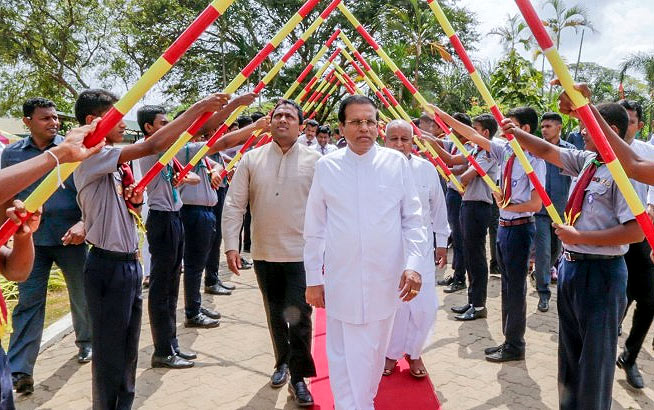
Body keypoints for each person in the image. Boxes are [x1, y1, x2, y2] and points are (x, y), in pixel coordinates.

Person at [72, 88, 229, 409]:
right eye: (115, 116)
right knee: (110, 355)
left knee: (128, 351)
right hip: (106, 266)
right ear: (93, 121)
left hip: (127, 263)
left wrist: (135, 200)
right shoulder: (91, 158)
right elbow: (154, 144)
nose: (122, 122)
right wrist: (198, 108)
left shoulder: (113, 161)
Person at [501, 101, 643, 410]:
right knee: (569, 356)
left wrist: (580, 237)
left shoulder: (625, 173)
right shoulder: (590, 161)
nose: (580, 130)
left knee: (595, 362)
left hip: (602, 273)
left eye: (586, 125)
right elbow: (550, 153)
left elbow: (636, 232)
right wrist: (516, 133)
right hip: (572, 268)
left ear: (610, 131)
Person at [304, 95, 427, 410]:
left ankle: (363, 400)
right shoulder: (327, 166)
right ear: (342, 127)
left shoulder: (396, 163)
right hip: (341, 278)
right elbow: (315, 227)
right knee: (342, 351)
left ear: (377, 125)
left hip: (385, 278)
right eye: (356, 122)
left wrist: (414, 266)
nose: (364, 128)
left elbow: (413, 220)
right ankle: (353, 405)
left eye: (370, 121)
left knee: (373, 353)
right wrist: (312, 278)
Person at [138, 92, 262, 369]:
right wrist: (243, 117)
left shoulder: (171, 150)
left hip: (172, 217)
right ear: (149, 128)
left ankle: (170, 345)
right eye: (163, 123)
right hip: (163, 219)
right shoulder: (154, 147)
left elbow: (210, 134)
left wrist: (228, 108)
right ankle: (163, 349)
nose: (170, 127)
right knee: (163, 288)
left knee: (170, 286)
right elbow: (220, 139)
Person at [222, 99, 319, 406]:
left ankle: (300, 379)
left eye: (290, 116)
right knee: (276, 315)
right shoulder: (251, 159)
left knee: (299, 317)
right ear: (269, 122)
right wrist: (231, 245)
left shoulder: (317, 161)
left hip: (302, 255)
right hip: (264, 254)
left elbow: (328, 210)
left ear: (300, 126)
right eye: (277, 115)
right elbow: (234, 204)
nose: (282, 119)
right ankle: (282, 363)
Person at [431, 104, 545, 363]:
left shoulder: (534, 159)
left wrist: (508, 205)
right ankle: (509, 340)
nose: (503, 131)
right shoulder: (505, 150)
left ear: (525, 129)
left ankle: (515, 344)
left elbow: (536, 204)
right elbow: (471, 135)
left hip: (519, 227)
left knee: (515, 290)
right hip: (505, 227)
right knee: (507, 287)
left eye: (510, 124)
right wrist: (442, 114)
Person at [1, 98, 94, 395]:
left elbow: (90, 191)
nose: (54, 122)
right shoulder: (12, 155)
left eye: (55, 118)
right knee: (28, 304)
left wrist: (84, 223)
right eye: (45, 118)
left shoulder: (73, 150)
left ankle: (87, 343)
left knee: (82, 296)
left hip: (71, 238)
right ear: (27, 121)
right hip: (30, 244)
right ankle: (20, 369)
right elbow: (5, 197)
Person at [383, 119, 448, 378]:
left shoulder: (426, 170)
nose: (399, 145)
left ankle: (416, 352)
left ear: (413, 142)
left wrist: (441, 243)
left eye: (405, 139)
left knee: (424, 306)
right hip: (385, 248)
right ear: (384, 140)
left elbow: (439, 208)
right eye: (393, 139)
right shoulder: (374, 170)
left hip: (420, 248)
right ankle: (390, 353)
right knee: (394, 305)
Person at [614, 99, 654, 389]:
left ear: (639, 125)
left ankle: (630, 355)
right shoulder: (595, 153)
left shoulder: (647, 154)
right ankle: (604, 347)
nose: (623, 124)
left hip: (642, 239)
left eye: (629, 120)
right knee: (619, 298)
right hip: (609, 238)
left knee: (650, 300)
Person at [449, 114, 499, 321]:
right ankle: (472, 300)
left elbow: (467, 176)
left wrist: (457, 175)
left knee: (477, 257)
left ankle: (479, 305)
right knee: (470, 255)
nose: (470, 135)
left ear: (485, 133)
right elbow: (453, 161)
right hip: (468, 204)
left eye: (475, 130)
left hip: (479, 207)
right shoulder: (476, 150)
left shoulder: (488, 152)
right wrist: (430, 141)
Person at [532, 112, 575, 313]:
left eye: (548, 126)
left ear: (559, 127)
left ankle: (542, 273)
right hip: (540, 210)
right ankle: (543, 292)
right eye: (543, 127)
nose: (544, 130)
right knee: (543, 250)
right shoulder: (535, 149)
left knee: (556, 250)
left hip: (561, 211)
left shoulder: (570, 151)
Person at [429, 113, 473, 294]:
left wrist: (448, 168)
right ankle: (456, 273)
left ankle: (461, 278)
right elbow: (440, 144)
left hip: (461, 195)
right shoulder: (454, 142)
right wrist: (425, 136)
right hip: (452, 193)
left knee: (460, 238)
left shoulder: (470, 147)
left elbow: (458, 166)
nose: (451, 131)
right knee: (455, 236)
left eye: (455, 128)